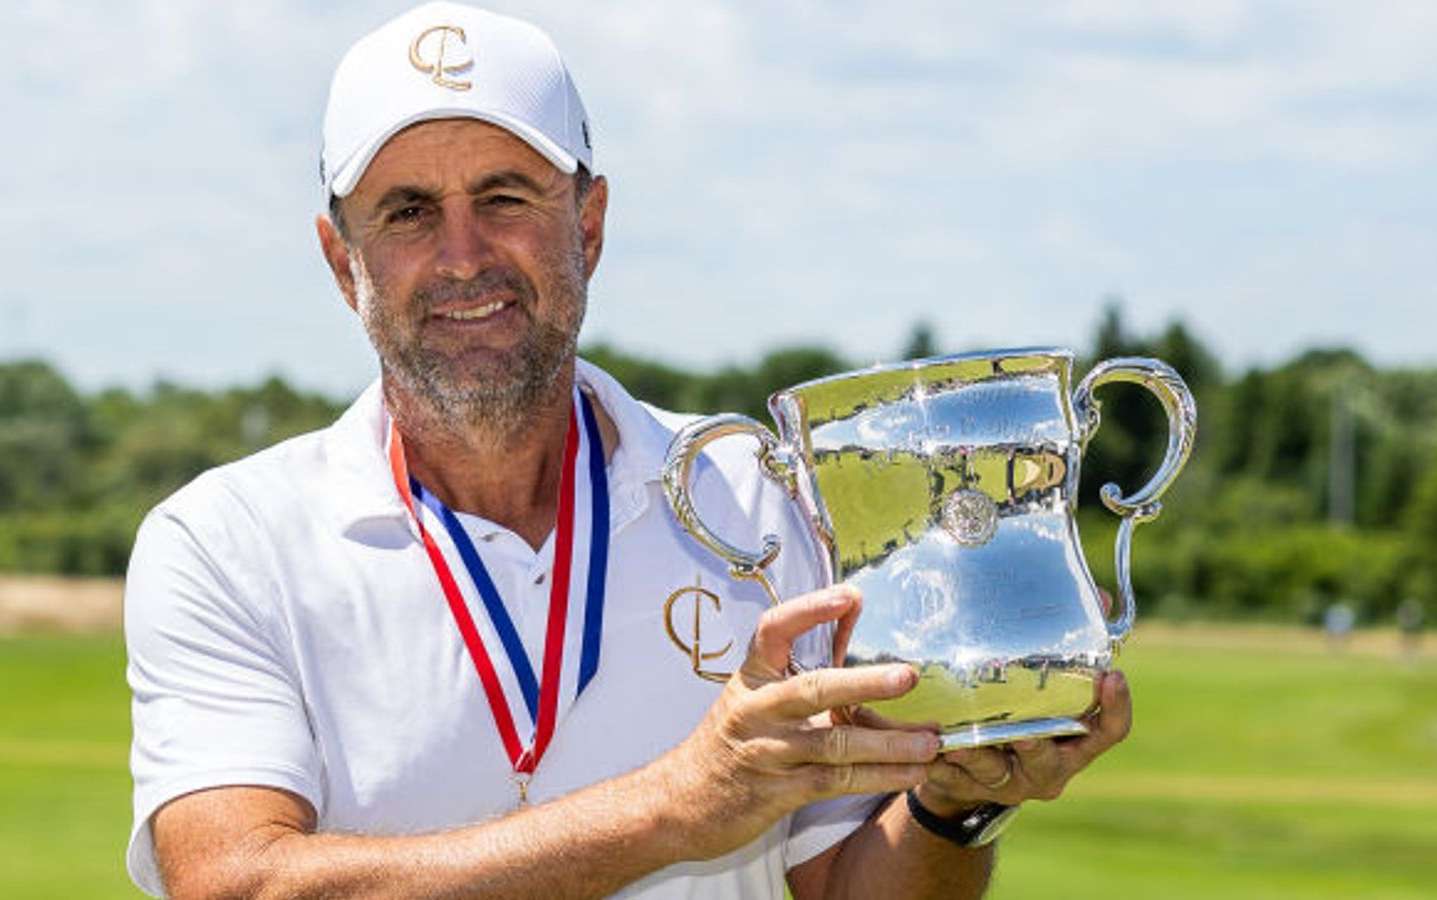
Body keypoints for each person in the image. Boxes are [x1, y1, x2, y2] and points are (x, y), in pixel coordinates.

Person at [123, 4, 1132, 898]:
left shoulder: (756, 493)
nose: (464, 254)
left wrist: (952, 808)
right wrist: (676, 807)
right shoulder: (225, 542)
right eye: (408, 213)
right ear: (342, 260)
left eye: (507, 197)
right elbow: (234, 883)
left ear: (589, 226)